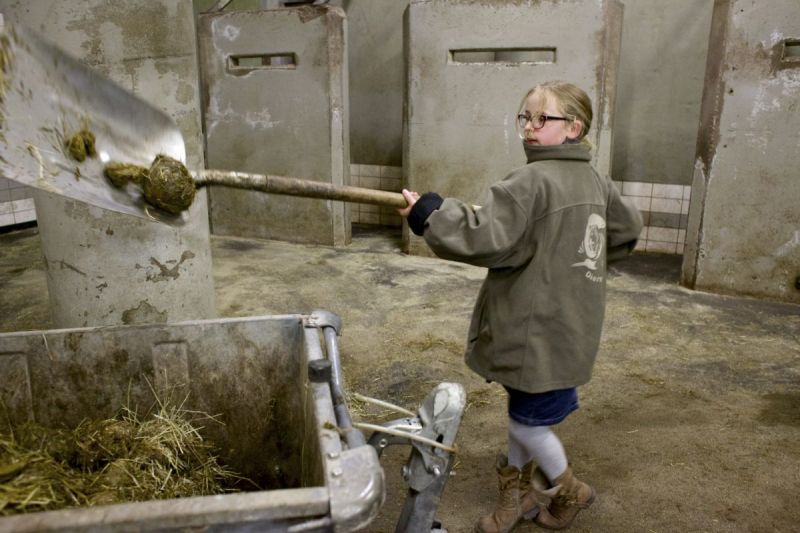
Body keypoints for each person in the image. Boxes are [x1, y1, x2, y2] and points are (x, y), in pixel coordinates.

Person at [398, 80, 643, 532]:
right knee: (524, 413)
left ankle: (571, 492)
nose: (529, 127)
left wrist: (429, 214)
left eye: (542, 119)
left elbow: (481, 234)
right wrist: (582, 263)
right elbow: (627, 230)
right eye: (524, 117)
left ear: (574, 127)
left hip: (534, 333)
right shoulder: (594, 180)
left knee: (530, 424)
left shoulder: (528, 181)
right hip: (571, 327)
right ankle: (515, 496)